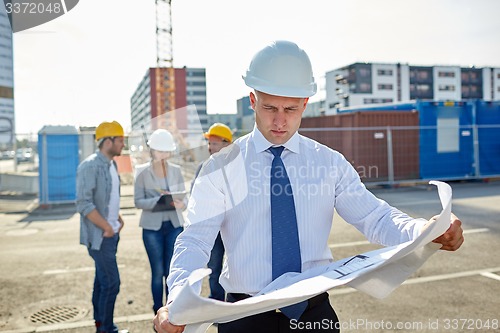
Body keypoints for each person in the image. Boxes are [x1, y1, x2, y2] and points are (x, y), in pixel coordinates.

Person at [154, 41, 464, 333]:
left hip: (313, 315)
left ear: (305, 103)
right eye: (269, 108)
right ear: (253, 101)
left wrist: (425, 230)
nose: (279, 121)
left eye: (290, 110)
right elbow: (194, 240)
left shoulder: (328, 163)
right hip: (242, 317)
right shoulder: (221, 168)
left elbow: (375, 217)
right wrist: (178, 300)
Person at [76, 121, 129, 333]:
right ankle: (107, 329)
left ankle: (100, 325)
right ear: (108, 141)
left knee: (101, 282)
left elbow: (107, 197)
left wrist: (117, 217)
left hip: (111, 233)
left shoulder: (111, 164)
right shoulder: (90, 166)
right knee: (111, 283)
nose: (123, 145)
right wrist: (107, 227)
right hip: (100, 236)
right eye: (120, 140)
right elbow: (83, 203)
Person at [134, 129, 188, 316]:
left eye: (166, 151)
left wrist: (181, 203)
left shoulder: (176, 170)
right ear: (152, 150)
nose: (163, 155)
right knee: (157, 272)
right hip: (152, 228)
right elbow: (137, 201)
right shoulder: (142, 172)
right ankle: (158, 311)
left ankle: (171, 310)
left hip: (174, 225)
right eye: (160, 150)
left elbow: (184, 197)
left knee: (170, 271)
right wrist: (157, 201)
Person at [191, 123, 233, 302]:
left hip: (234, 226)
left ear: (226, 144)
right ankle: (216, 302)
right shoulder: (203, 167)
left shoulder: (238, 166)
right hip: (213, 229)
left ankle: (236, 304)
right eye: (209, 143)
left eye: (214, 143)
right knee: (214, 267)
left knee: (237, 266)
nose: (210, 147)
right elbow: (195, 196)